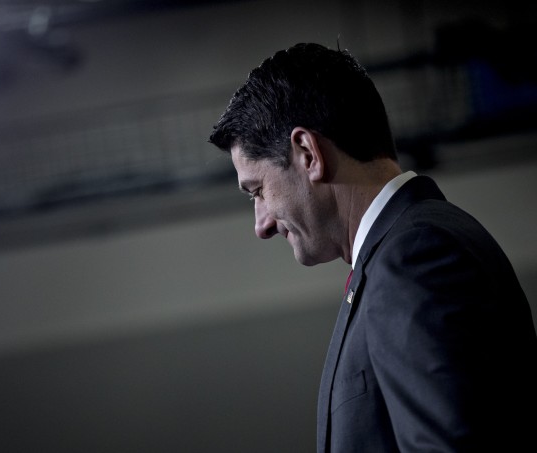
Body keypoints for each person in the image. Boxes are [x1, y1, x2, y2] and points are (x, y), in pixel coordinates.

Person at [208, 42, 537, 452]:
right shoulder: (409, 248)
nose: (262, 225)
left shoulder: (415, 255)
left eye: (257, 191)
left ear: (308, 154)